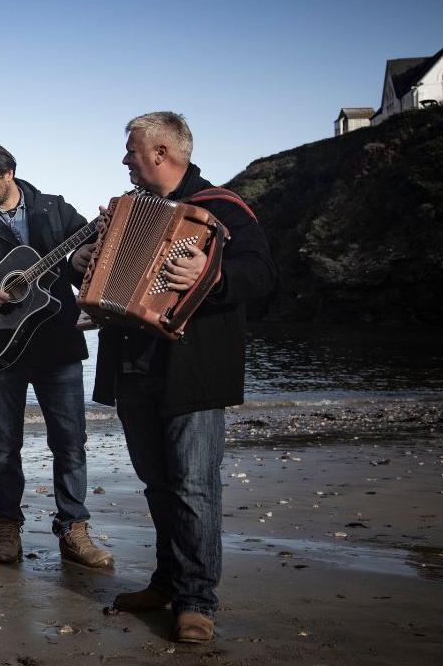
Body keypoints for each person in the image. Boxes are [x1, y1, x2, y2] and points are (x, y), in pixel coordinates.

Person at [72, 112, 275, 643]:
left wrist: (208, 276)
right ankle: (165, 583)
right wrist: (87, 260)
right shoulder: (127, 212)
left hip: (193, 370)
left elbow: (261, 274)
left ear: (161, 153)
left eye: (131, 151)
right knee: (158, 484)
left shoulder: (223, 209)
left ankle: (196, 600)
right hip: (134, 368)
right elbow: (101, 275)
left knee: (193, 487)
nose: (125, 160)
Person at [0, 141, 114, 570]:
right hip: (0, 345)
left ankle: (74, 530)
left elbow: (87, 259)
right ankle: (7, 528)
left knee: (70, 442)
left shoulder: (54, 209)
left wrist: (83, 259)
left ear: (8, 172)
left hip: (56, 342)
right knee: (5, 445)